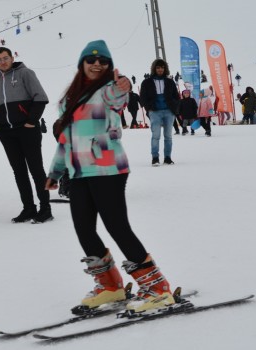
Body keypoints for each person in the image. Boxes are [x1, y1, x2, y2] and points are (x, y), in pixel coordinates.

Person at [45, 40, 176, 316]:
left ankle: (157, 288)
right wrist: (56, 172)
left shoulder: (108, 91)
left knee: (117, 226)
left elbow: (118, 97)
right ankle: (110, 285)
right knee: (84, 229)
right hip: (79, 172)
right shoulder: (70, 99)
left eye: (102, 61)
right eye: (91, 60)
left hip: (108, 169)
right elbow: (65, 140)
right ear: (82, 64)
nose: (96, 65)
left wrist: (122, 86)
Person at [0, 46, 52, 223]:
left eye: (5, 58)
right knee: (19, 171)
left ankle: (45, 209)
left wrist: (31, 121)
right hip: (6, 133)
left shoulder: (25, 73)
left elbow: (41, 98)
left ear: (12, 58)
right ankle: (28, 208)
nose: (3, 62)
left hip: (28, 129)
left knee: (36, 169)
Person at [140, 58, 180, 166]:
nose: (160, 69)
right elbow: (142, 97)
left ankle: (167, 158)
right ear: (154, 68)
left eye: (162, 67)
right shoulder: (147, 82)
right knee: (156, 136)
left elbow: (176, 96)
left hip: (168, 112)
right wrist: (149, 108)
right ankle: (155, 158)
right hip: (155, 112)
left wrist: (174, 108)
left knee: (168, 136)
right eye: (158, 67)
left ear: (165, 68)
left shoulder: (170, 82)